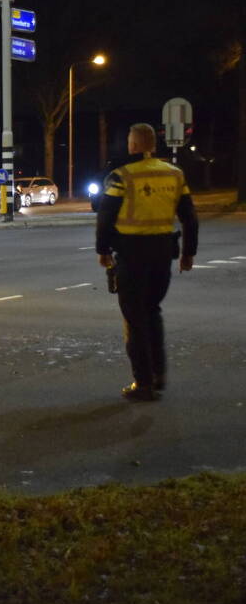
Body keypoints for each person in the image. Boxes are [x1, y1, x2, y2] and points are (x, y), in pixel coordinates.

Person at [95, 123, 198, 401]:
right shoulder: (175, 174)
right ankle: (158, 373)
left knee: (134, 318)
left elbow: (105, 215)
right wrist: (188, 253)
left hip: (132, 255)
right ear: (153, 144)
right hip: (163, 254)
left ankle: (143, 383)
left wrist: (102, 250)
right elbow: (189, 217)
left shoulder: (122, 176)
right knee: (153, 311)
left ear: (134, 145)